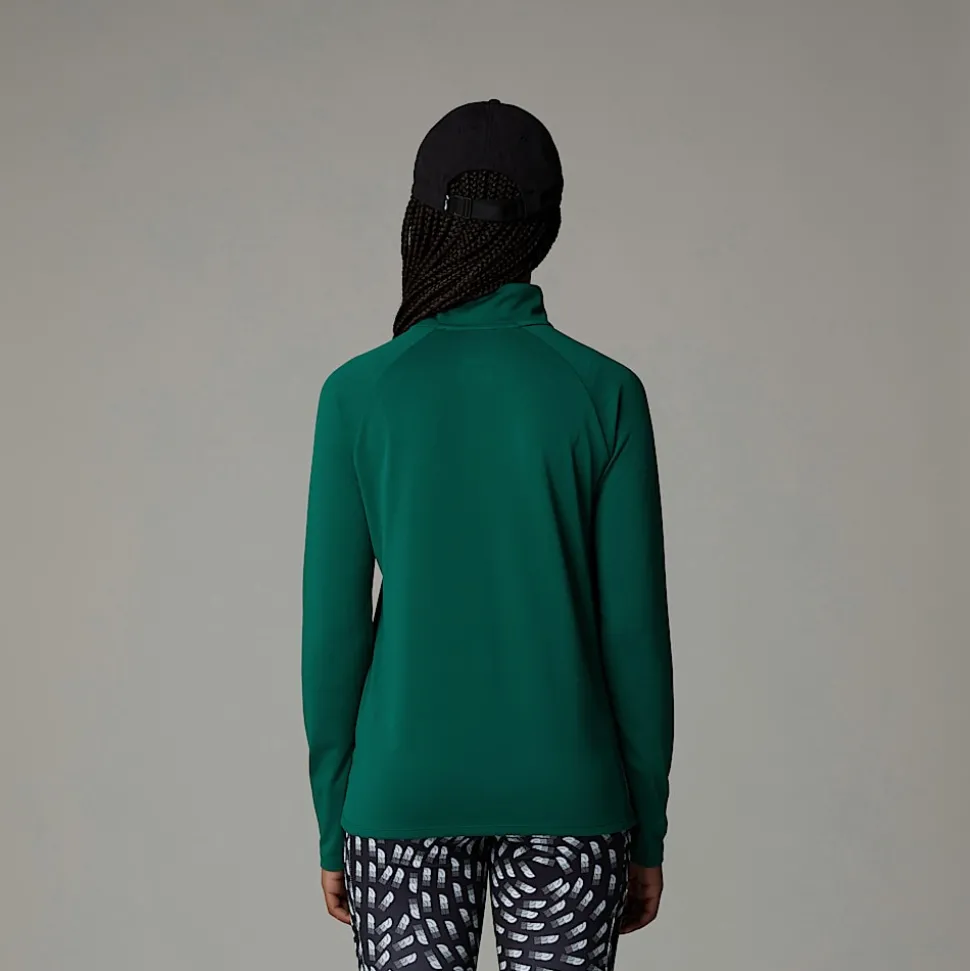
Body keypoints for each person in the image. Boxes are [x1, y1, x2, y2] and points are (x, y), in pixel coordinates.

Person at [301, 99, 674, 971]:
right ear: (545, 227)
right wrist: (648, 825)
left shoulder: (359, 393)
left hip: (402, 799)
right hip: (571, 798)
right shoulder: (604, 392)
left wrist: (334, 818)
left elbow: (333, 632)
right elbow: (634, 633)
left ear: (421, 219)